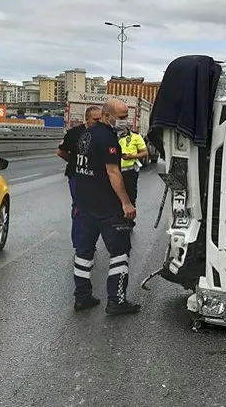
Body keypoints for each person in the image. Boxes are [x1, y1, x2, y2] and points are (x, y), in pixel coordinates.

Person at [72, 98, 141, 315]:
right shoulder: (108, 138)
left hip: (84, 205)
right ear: (107, 116)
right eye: (121, 117)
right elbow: (113, 172)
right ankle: (116, 300)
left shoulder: (86, 135)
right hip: (107, 207)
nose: (124, 121)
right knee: (120, 252)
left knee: (83, 252)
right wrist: (126, 202)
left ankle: (82, 297)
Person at [57, 106, 101, 249]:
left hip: (95, 178)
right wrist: (74, 162)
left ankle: (89, 240)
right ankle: (79, 243)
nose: (98, 122)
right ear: (87, 118)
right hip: (76, 177)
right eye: (95, 119)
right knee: (79, 207)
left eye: (100, 119)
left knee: (93, 209)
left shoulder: (103, 133)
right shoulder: (74, 133)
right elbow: (60, 151)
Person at [118, 122, 149, 227]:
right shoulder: (113, 137)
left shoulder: (135, 137)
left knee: (130, 196)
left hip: (129, 172)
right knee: (115, 196)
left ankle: (129, 220)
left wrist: (132, 157)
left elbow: (145, 153)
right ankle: (117, 218)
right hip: (115, 172)